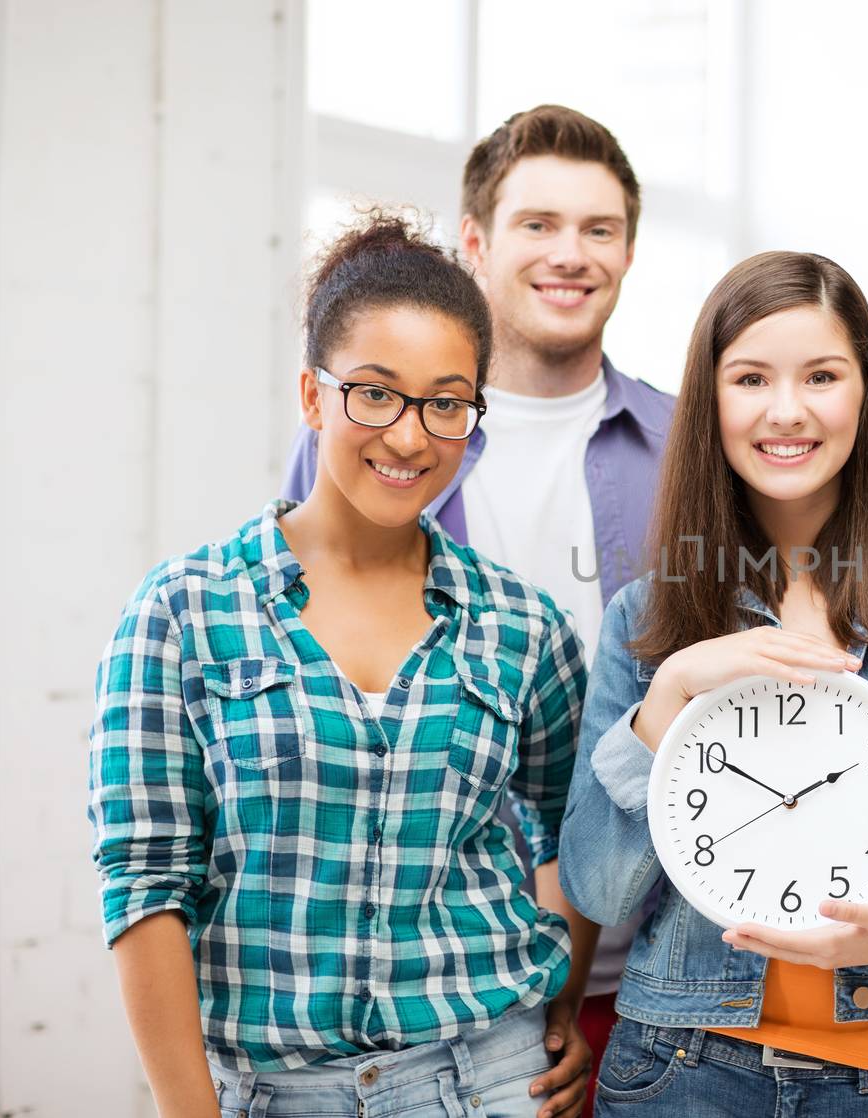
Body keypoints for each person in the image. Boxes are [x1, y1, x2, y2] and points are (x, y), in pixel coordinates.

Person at [90, 214, 597, 1118]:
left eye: (447, 402)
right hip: (268, 1092)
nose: (410, 437)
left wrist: (562, 997)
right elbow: (144, 885)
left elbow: (572, 831)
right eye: (375, 393)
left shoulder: (522, 625)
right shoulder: (182, 611)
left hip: (490, 1080)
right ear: (313, 395)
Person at [557, 251, 868, 1116]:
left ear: (864, 393)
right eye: (751, 378)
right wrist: (672, 689)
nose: (786, 411)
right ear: (709, 398)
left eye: (821, 376)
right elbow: (598, 889)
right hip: (680, 1068)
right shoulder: (648, 618)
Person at [281, 105, 675, 1107]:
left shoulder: (686, 448)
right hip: (432, 976)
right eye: (537, 223)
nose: (569, 254)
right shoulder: (376, 442)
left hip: (656, 970)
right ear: (474, 242)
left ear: (628, 250)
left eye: (599, 228)